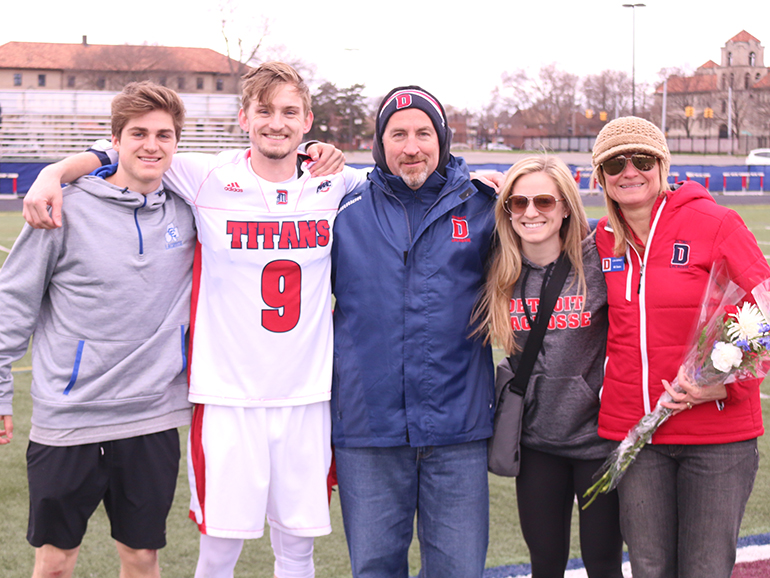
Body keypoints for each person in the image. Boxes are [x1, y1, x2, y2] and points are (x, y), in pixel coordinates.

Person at [21, 62, 356, 578]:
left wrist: (490, 179)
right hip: (225, 396)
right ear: (243, 116)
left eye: (290, 112)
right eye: (264, 110)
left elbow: (405, 174)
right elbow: (132, 148)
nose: (277, 122)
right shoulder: (205, 176)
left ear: (308, 121)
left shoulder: (335, 183)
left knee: (298, 548)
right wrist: (53, 172)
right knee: (218, 548)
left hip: (308, 394)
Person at [0, 81, 194, 578]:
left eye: (164, 135)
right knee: (56, 562)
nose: (152, 145)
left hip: (150, 417)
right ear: (116, 141)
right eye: (138, 133)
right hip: (70, 418)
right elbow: (12, 304)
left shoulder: (190, 209)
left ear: (177, 142)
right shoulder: (61, 208)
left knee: (141, 556)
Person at [591, 116, 770, 578]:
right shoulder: (600, 240)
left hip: (716, 437)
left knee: (705, 568)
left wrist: (725, 383)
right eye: (615, 163)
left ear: (662, 165)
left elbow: (765, 304)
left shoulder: (714, 222)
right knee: (649, 567)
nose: (629, 171)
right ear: (600, 175)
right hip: (638, 434)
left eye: (642, 159)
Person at [330, 86, 496, 578]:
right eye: (397, 134)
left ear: (442, 139)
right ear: (380, 144)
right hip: (368, 427)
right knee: (376, 568)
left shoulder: (483, 206)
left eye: (424, 133)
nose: (412, 146)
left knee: (459, 570)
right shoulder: (341, 207)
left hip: (457, 428)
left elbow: (558, 231)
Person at [472, 156, 623, 578]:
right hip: (537, 443)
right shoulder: (496, 264)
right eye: (518, 203)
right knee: (546, 563)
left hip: (599, 444)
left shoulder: (598, 255)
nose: (531, 212)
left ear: (565, 207)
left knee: (603, 562)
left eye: (543, 200)